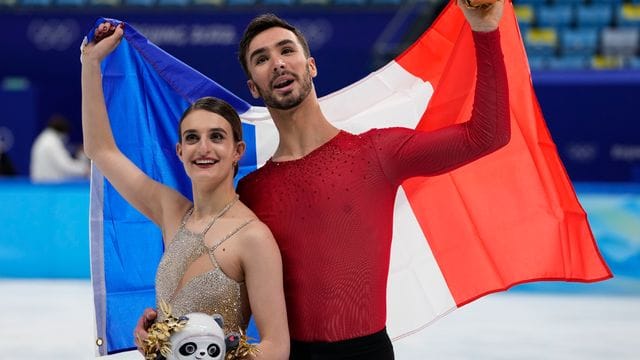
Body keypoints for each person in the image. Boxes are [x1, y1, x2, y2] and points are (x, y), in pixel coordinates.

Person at [138, 1, 509, 358]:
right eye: (262, 59)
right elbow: (225, 289)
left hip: (367, 354)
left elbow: (488, 136)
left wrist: (485, 29)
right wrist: (168, 329)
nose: (278, 63)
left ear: (311, 65)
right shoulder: (251, 192)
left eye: (286, 50)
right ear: (253, 86)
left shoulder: (377, 152)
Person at [82, 22, 289, 360]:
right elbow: (101, 150)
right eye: (192, 138)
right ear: (179, 151)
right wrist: (90, 66)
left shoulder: (254, 238)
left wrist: (216, 353)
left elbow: (277, 348)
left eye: (216, 137)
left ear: (238, 151)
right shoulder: (171, 210)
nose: (203, 148)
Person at [30, 114, 89, 182]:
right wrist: (85, 169)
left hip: (44, 183)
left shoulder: (45, 138)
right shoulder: (51, 143)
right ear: (63, 132)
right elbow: (65, 165)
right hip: (49, 185)